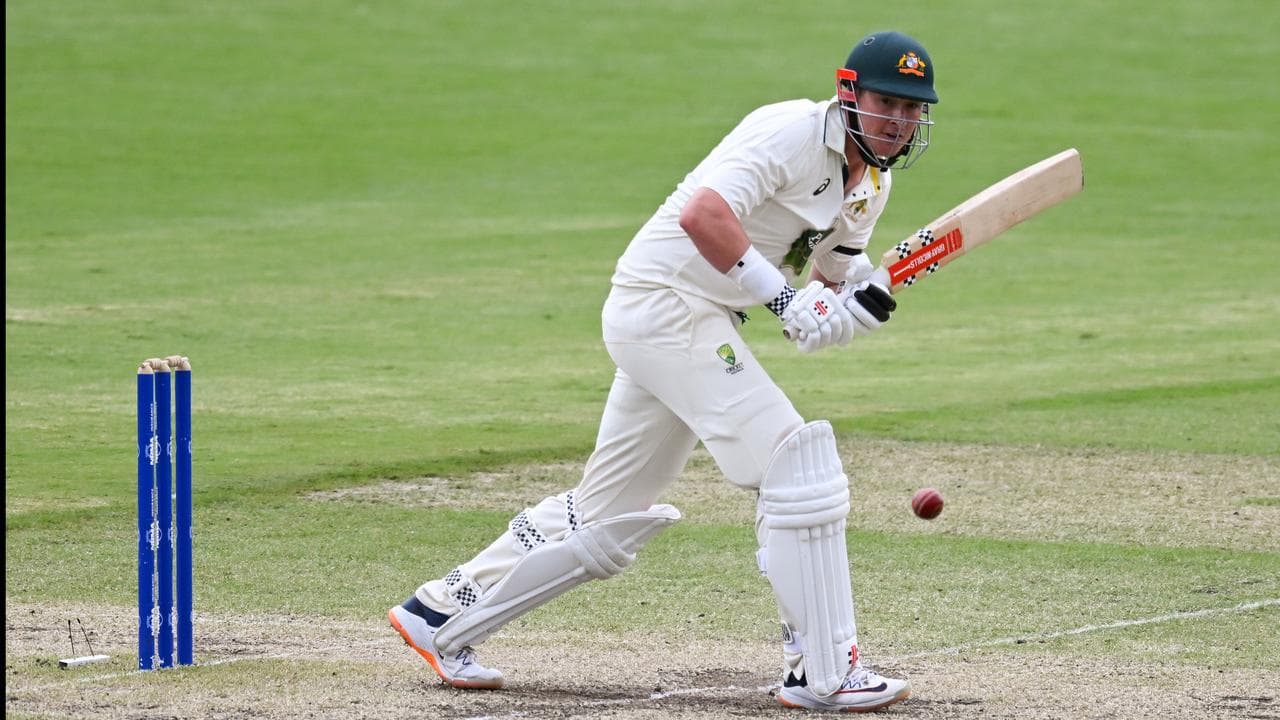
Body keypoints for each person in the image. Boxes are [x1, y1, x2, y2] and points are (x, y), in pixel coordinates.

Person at [389, 30, 938, 712]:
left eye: (914, 109)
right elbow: (702, 215)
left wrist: (855, 302)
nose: (900, 122)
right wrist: (787, 300)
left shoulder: (871, 186)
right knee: (797, 465)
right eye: (888, 102)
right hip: (666, 306)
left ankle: (440, 611)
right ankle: (822, 670)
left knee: (606, 514)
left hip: (697, 321)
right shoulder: (790, 132)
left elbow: (827, 273)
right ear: (848, 91)